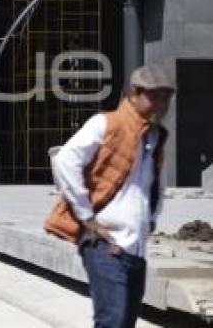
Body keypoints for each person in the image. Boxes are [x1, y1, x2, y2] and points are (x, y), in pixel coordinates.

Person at [45, 64, 174, 328]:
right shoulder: (107, 123)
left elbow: (152, 185)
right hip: (105, 245)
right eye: (155, 96)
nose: (162, 103)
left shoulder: (154, 136)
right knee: (112, 321)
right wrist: (86, 216)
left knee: (124, 322)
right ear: (135, 93)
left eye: (167, 96)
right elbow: (65, 160)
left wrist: (151, 219)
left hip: (135, 248)